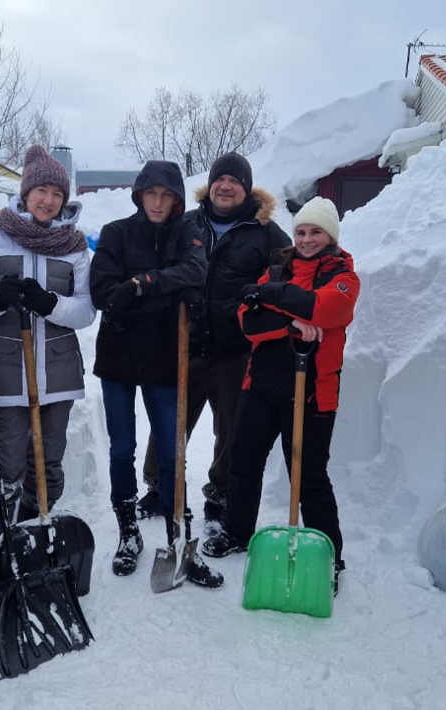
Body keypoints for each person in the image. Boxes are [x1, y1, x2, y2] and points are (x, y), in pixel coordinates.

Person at [200, 197, 359, 594]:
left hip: (311, 395)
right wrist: (293, 319)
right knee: (243, 463)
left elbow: (326, 309)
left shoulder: (344, 276)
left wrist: (269, 296)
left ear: (331, 236)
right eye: (301, 231)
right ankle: (237, 532)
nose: (306, 239)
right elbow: (248, 323)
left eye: (315, 232)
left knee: (309, 479)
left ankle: (329, 557)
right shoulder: (279, 268)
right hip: (261, 388)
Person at [139, 152, 291, 532]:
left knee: (232, 429)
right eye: (220, 180)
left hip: (235, 349)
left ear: (246, 189)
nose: (226, 187)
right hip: (184, 343)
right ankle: (159, 487)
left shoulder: (267, 233)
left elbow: (290, 276)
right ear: (211, 185)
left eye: (235, 182)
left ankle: (221, 492)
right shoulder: (185, 223)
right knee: (169, 422)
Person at [89, 160, 222, 587]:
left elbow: (196, 273)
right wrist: (166, 290)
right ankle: (128, 531)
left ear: (178, 199)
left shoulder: (188, 231)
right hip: (119, 356)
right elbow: (103, 294)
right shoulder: (115, 233)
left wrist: (142, 284)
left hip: (167, 355)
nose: (159, 202)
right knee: (121, 449)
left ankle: (177, 533)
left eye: (167, 195)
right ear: (140, 195)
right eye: (152, 193)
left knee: (171, 450)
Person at [0, 145, 96, 586]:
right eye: (40, 190)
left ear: (64, 198)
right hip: (7, 372)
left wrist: (50, 304)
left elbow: (85, 312)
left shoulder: (75, 246)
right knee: (6, 468)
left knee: (48, 466)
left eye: (56, 193)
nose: (48, 200)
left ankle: (26, 549)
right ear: (25, 193)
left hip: (58, 375)